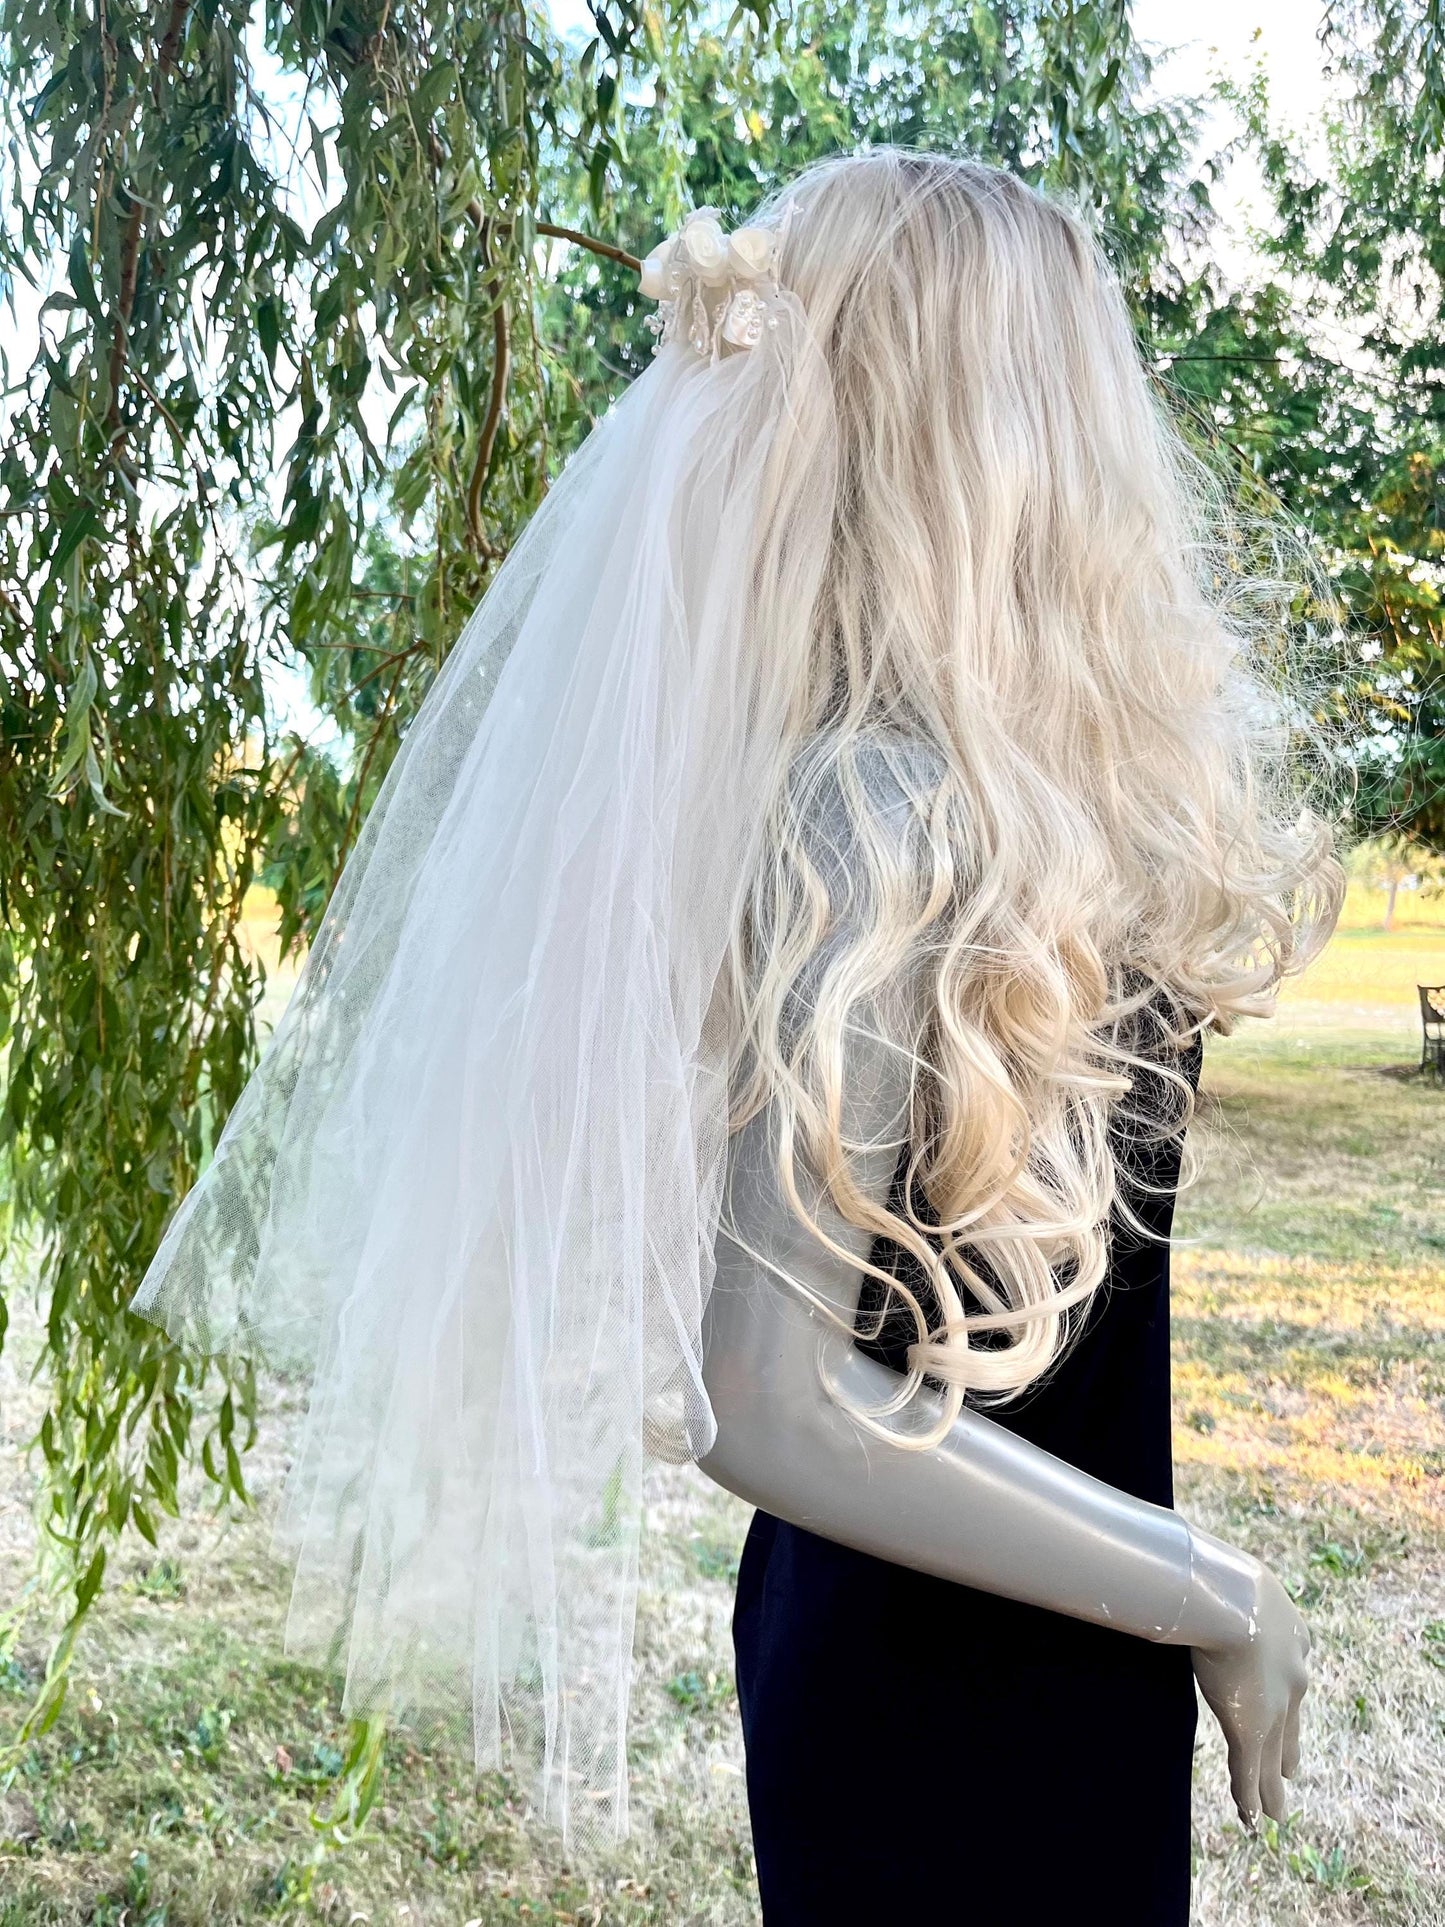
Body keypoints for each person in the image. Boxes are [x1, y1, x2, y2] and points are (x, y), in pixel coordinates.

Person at [129, 147, 1342, 1915]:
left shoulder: (992, 801)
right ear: (1000, 414)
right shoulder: (869, 811)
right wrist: (1207, 1586)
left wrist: (1151, 1596)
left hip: (1059, 1631)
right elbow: (763, 1402)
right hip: (931, 1675)